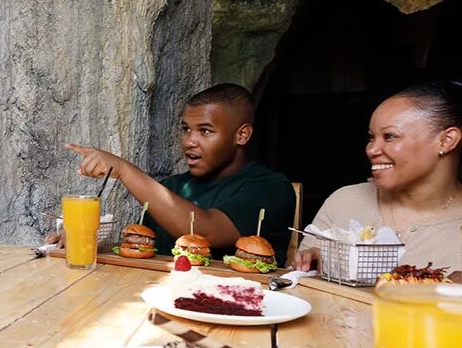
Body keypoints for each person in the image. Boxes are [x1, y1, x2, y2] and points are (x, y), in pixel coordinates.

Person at [59, 83, 296, 262]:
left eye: (205, 131)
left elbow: (204, 232)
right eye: (186, 129)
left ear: (241, 135)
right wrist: (86, 240)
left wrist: (123, 169)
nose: (189, 141)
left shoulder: (270, 187)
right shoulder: (171, 187)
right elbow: (142, 252)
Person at [292, 80, 462, 275]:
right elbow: (291, 289)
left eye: (390, 136)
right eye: (371, 137)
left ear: (446, 140)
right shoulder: (344, 201)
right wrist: (310, 267)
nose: (371, 149)